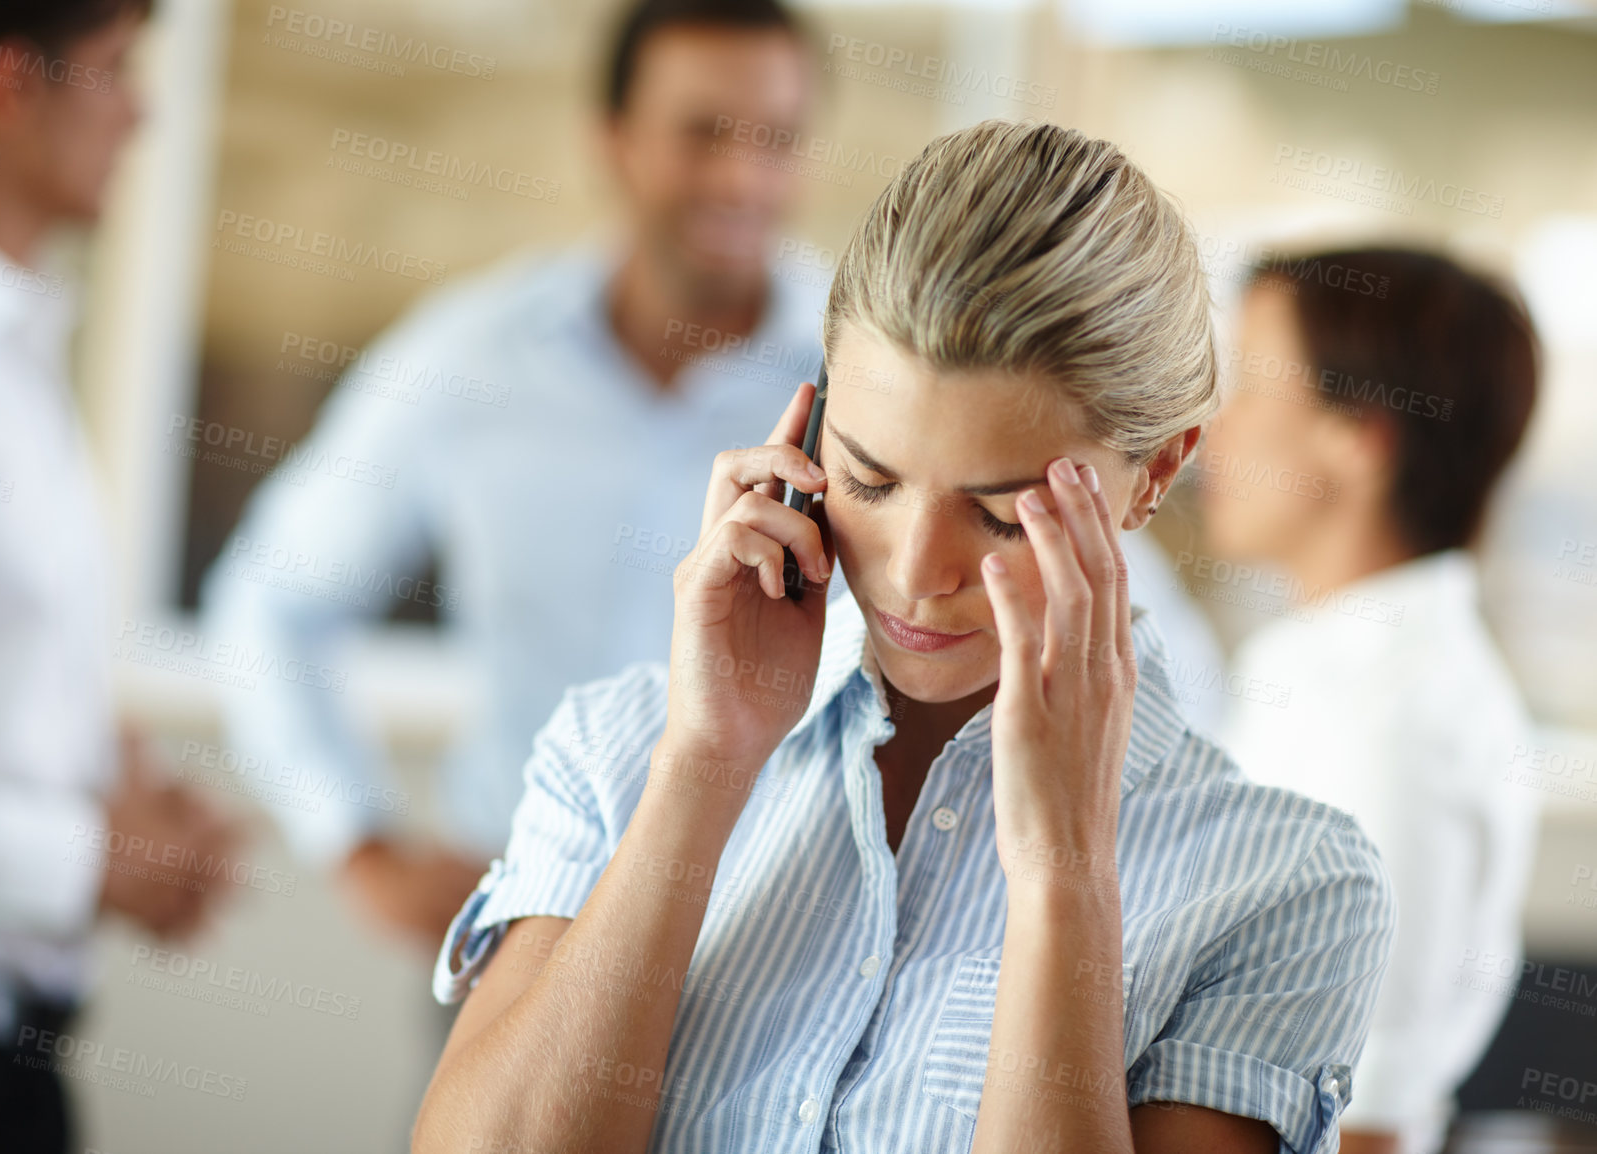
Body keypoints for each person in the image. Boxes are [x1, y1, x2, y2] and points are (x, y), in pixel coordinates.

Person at [413, 120, 1396, 1154]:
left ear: (1153, 473)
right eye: (869, 478)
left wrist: (1062, 872)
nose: (916, 571)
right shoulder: (614, 753)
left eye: (1003, 512)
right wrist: (704, 767)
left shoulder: (1285, 887)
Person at [198, 0, 825, 953]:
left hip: (776, 954)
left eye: (775, 140)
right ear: (613, 141)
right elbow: (270, 600)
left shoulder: (868, 378)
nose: (742, 177)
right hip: (516, 940)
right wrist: (359, 843)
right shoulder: (471, 357)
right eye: (703, 134)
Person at [0, 2, 242, 1150]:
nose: (143, 112)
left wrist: (112, 785)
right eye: (116, 70)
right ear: (11, 86)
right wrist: (89, 860)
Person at [1203, 248, 1542, 1154]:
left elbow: (1366, 1114)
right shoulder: (1326, 670)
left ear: (1358, 437)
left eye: (1247, 389)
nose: (1212, 431)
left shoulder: (1399, 716)